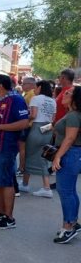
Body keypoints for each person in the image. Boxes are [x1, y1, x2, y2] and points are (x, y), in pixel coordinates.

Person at [0, 74, 29, 229]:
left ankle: (9, 218)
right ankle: (0, 211)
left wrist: (0, 127)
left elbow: (24, 123)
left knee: (7, 181)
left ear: (0, 86)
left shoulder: (16, 100)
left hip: (7, 146)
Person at [52, 86, 81, 244]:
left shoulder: (74, 116)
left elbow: (70, 138)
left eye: (68, 93)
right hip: (72, 154)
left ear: (75, 98)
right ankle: (73, 222)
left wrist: (58, 156)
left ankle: (68, 227)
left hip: (70, 154)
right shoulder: (72, 114)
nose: (65, 94)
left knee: (65, 191)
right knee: (70, 191)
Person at [20, 80, 56, 197]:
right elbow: (53, 119)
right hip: (48, 129)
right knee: (43, 157)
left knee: (29, 155)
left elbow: (33, 115)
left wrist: (24, 118)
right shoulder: (53, 101)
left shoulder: (36, 99)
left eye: (35, 87)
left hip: (36, 128)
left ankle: (26, 184)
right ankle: (45, 186)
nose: (34, 90)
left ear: (40, 87)